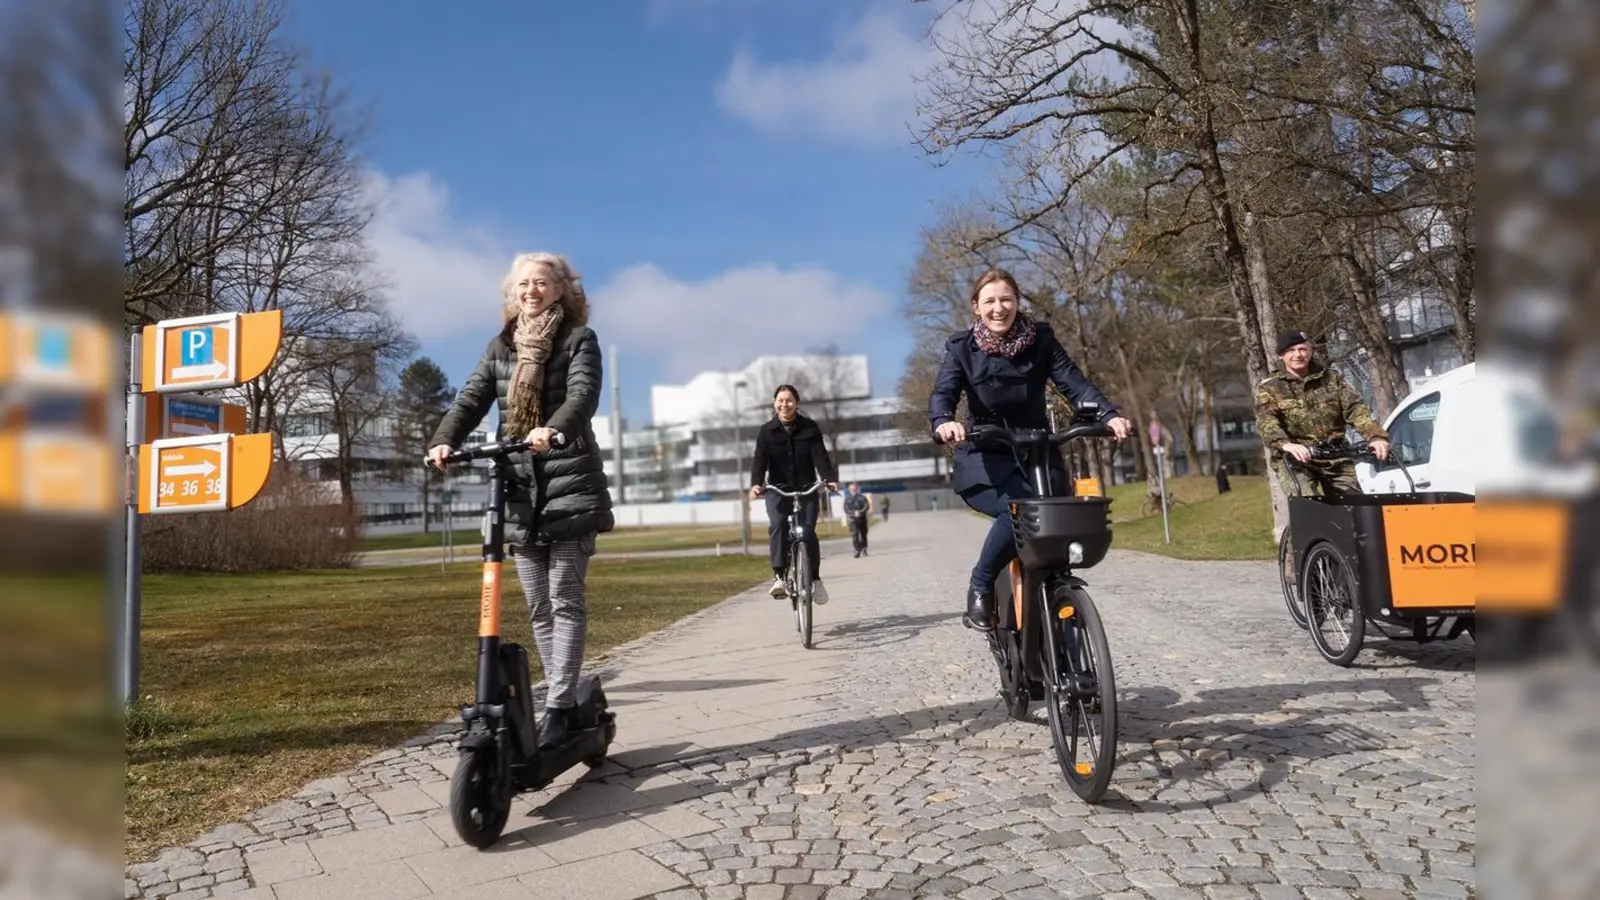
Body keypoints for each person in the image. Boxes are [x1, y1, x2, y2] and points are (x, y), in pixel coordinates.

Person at [427, 251, 614, 749]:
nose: (530, 291)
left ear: (560, 290)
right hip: (519, 491)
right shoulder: (500, 347)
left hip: (568, 484)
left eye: (540, 283)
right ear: (514, 294)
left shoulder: (578, 340)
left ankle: (557, 706)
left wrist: (552, 429)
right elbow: (470, 397)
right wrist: (444, 439)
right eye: (522, 284)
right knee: (538, 607)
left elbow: (583, 395)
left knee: (564, 600)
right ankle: (563, 695)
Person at [928, 268, 1133, 631]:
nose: (998, 308)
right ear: (976, 307)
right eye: (989, 301)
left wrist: (1107, 413)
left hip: (1037, 451)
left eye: (1005, 299)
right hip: (986, 457)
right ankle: (981, 584)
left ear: (1017, 301)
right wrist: (944, 420)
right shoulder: (961, 349)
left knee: (1058, 526)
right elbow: (944, 391)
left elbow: (1074, 383)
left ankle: (1062, 622)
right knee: (1019, 513)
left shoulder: (1041, 340)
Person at [1254, 329, 1390, 499]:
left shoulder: (1332, 379)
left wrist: (1375, 437)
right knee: (1307, 504)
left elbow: (1355, 410)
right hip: (1297, 459)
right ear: (1281, 355)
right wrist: (1285, 444)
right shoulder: (1270, 388)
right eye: (1291, 351)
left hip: (1335, 455)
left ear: (1310, 351)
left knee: (1355, 507)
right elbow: (1266, 422)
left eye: (1302, 349)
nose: (1297, 355)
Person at [748, 385, 839, 604]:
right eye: (780, 400)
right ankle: (779, 576)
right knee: (778, 524)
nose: (784, 404)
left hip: (806, 487)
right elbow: (759, 460)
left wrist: (829, 479)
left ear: (796, 403)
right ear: (774, 403)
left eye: (789, 400)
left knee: (807, 533)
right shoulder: (766, 431)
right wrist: (756, 484)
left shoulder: (810, 428)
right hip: (778, 490)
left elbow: (820, 456)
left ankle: (815, 580)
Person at [842, 482, 873, 557]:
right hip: (852, 520)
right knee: (855, 534)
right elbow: (846, 509)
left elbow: (866, 506)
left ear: (857, 488)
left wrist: (860, 512)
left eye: (855, 488)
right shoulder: (847, 499)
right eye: (852, 488)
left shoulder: (862, 497)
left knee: (863, 535)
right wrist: (853, 513)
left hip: (862, 519)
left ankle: (864, 549)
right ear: (849, 489)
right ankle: (857, 550)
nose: (853, 490)